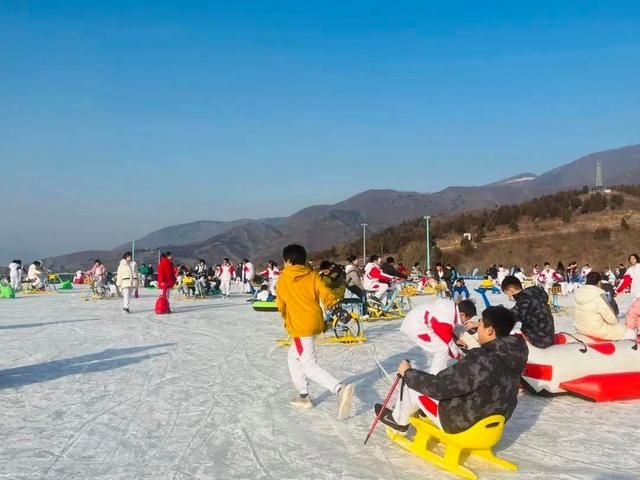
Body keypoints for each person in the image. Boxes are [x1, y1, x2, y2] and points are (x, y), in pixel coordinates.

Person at [375, 306, 528, 434]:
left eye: (480, 325)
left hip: (463, 424)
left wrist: (408, 372)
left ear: (490, 331)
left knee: (412, 384)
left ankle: (399, 422)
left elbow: (439, 387)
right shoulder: (517, 352)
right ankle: (420, 410)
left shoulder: (481, 358)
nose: (477, 329)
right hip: (495, 424)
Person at [276, 244, 354, 419]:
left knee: (309, 366)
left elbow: (281, 305)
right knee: (293, 357)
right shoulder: (312, 275)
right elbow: (326, 295)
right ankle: (303, 395)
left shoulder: (283, 279)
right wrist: (338, 310)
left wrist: (288, 319)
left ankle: (339, 389)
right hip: (315, 324)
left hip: (300, 328)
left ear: (287, 260)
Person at [400, 298, 477, 375]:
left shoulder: (451, 308)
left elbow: (446, 330)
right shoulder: (446, 320)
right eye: (467, 319)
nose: (466, 321)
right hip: (415, 326)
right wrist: (461, 358)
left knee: (445, 343)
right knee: (442, 349)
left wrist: (456, 339)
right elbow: (450, 346)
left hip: (416, 318)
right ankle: (434, 378)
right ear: (462, 314)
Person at [573, 271, 632, 340]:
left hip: (580, 328)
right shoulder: (599, 295)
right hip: (595, 331)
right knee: (626, 331)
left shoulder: (579, 293)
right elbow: (612, 320)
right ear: (599, 282)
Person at [500, 275, 555, 348]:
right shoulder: (535, 293)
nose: (509, 297)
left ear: (511, 290)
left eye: (507, 293)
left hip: (539, 339)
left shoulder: (525, 299)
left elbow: (511, 317)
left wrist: (494, 317)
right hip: (548, 335)